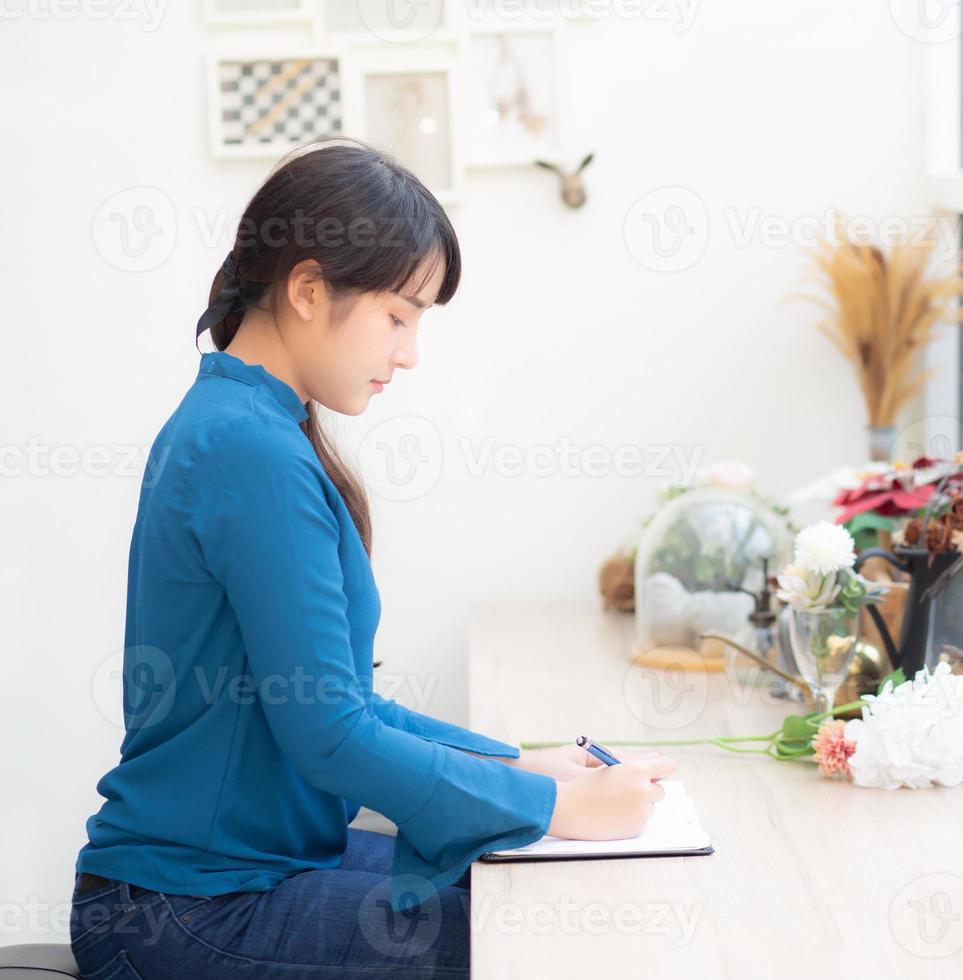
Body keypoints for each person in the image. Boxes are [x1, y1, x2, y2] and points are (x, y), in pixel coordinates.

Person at [69, 137, 675, 980]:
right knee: (540, 930)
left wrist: (520, 766)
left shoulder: (249, 425)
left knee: (517, 890)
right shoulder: (249, 449)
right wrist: (560, 809)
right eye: (399, 315)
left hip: (235, 876)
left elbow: (341, 705)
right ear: (309, 289)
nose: (410, 352)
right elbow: (334, 738)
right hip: (188, 909)